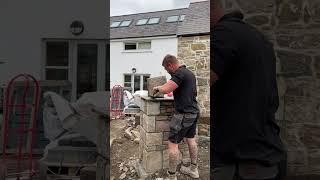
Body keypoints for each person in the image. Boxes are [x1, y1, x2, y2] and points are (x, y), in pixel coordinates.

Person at [211, 0, 286, 180]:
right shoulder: (258, 37)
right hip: (264, 151)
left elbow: (201, 84)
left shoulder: (222, 34)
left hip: (240, 160)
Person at [153, 54, 200, 180]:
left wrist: (157, 88)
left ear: (170, 65)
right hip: (194, 112)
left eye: (166, 69)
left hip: (183, 115)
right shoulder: (189, 73)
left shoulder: (179, 73)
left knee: (173, 145)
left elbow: (166, 88)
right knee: (191, 140)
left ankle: (171, 176)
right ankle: (194, 170)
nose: (167, 71)